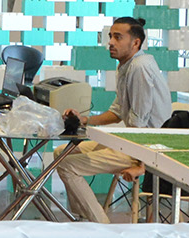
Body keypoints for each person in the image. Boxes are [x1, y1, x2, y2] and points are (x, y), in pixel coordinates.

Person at [57, 16, 173, 223]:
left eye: (118, 37)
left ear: (135, 43)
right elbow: (118, 111)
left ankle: (102, 226)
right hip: (133, 142)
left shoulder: (140, 67)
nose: (110, 42)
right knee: (61, 153)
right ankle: (83, 216)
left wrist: (142, 165)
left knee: (67, 165)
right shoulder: (126, 66)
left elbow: (139, 123)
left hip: (147, 148)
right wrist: (84, 120)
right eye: (110, 36)